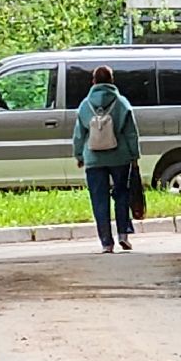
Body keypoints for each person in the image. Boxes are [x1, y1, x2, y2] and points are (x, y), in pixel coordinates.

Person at [72, 65, 140, 253]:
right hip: (120, 157)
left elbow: (79, 134)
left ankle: (106, 243)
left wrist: (79, 155)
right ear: (112, 80)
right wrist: (134, 155)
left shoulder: (85, 104)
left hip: (94, 158)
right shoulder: (122, 103)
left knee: (99, 199)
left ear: (93, 81)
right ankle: (123, 235)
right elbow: (131, 132)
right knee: (121, 195)